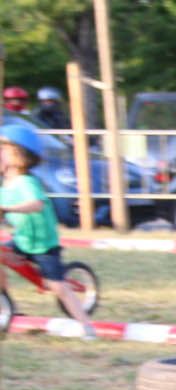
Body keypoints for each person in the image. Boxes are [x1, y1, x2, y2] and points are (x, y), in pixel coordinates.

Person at [1, 123, 96, 338]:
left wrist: (7, 209)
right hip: (23, 240)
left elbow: (36, 204)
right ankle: (5, 303)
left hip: (44, 245)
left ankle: (87, 326)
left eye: (3, 150)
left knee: (57, 285)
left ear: (19, 156)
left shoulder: (26, 182)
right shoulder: (4, 185)